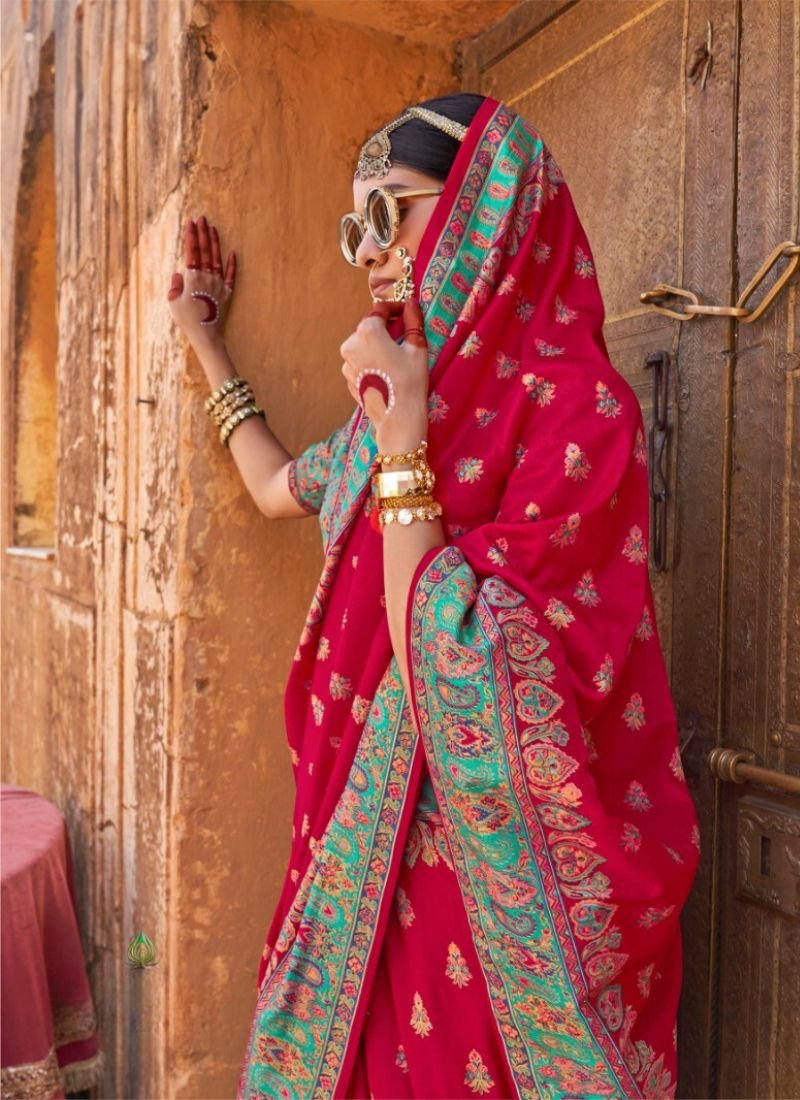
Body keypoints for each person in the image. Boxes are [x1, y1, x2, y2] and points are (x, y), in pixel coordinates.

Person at [167, 93, 700, 1100]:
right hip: (358, 875)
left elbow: (459, 669)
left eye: (391, 213)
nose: (368, 253)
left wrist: (405, 442)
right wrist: (205, 340)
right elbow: (279, 487)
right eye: (351, 228)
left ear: (481, 209)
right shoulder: (405, 399)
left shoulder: (579, 411)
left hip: (492, 902)